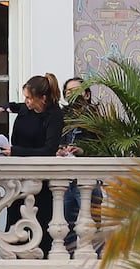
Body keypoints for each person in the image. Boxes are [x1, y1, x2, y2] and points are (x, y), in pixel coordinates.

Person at [0, 73, 64, 258]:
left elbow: (49, 150)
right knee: (14, 222)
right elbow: (16, 106)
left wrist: (16, 151)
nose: (26, 102)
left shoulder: (54, 115)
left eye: (29, 98)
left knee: (42, 222)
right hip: (18, 178)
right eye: (25, 97)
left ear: (43, 98)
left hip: (40, 179)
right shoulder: (26, 109)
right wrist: (4, 107)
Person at [56, 77, 104, 259]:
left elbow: (104, 147)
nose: (72, 95)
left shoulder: (96, 118)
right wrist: (60, 150)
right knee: (65, 228)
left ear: (87, 94)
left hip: (88, 181)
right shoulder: (62, 117)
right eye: (68, 92)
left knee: (93, 228)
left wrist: (82, 150)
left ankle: (98, 264)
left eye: (76, 90)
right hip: (66, 181)